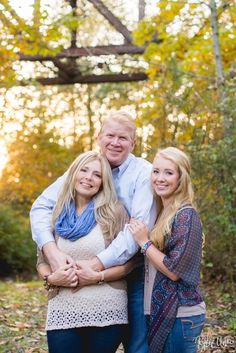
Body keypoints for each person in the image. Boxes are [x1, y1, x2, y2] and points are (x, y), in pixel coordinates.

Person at [30, 110, 157, 353]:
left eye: (123, 138)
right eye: (110, 135)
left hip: (136, 270)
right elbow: (40, 207)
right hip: (81, 277)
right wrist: (53, 253)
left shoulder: (143, 173)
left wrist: (96, 266)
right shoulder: (84, 169)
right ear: (99, 137)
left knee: (137, 346)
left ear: (134, 143)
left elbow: (136, 231)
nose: (115, 142)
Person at [37, 150, 137, 353]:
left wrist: (97, 276)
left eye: (97, 174)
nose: (88, 178)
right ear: (73, 173)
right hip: (62, 308)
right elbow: (41, 261)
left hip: (107, 309)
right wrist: (52, 278)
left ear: (103, 182)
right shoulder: (55, 212)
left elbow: (132, 262)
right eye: (84, 170)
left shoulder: (114, 212)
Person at [129, 147, 206, 353]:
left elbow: (174, 270)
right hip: (161, 312)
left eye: (168, 173)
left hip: (182, 315)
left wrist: (144, 243)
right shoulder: (161, 212)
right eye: (156, 171)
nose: (160, 178)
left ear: (181, 178)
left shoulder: (185, 215)